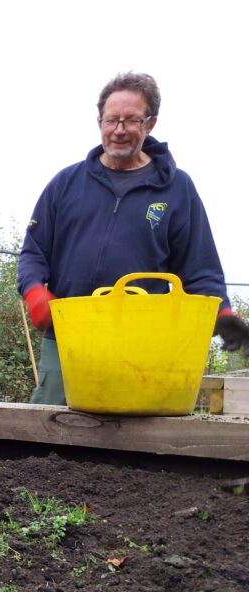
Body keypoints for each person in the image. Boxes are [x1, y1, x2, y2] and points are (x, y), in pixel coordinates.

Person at [18, 71, 249, 405]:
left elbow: (199, 267)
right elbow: (33, 251)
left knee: (132, 437)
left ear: (151, 123)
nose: (119, 130)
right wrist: (34, 290)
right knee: (49, 427)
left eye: (131, 120)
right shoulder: (65, 183)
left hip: (140, 341)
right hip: (68, 336)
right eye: (111, 120)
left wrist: (221, 312)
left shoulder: (177, 189)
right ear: (100, 121)